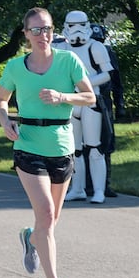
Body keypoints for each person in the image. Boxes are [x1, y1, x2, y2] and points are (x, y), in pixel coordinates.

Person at [0, 8, 97, 278]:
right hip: (28, 145)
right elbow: (0, 100)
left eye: (48, 29)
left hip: (62, 146)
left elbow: (90, 97)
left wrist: (63, 97)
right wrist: (5, 121)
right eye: (37, 30)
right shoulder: (15, 67)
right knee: (45, 213)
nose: (44, 36)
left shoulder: (68, 62)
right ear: (25, 34)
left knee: (50, 221)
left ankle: (31, 239)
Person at [53, 10, 116, 203]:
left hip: (91, 100)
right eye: (72, 26)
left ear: (87, 25)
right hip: (71, 102)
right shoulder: (61, 47)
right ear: (65, 27)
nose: (76, 30)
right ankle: (77, 188)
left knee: (95, 148)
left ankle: (98, 190)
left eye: (80, 25)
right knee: (74, 149)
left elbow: (107, 74)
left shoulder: (96, 47)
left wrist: (86, 83)